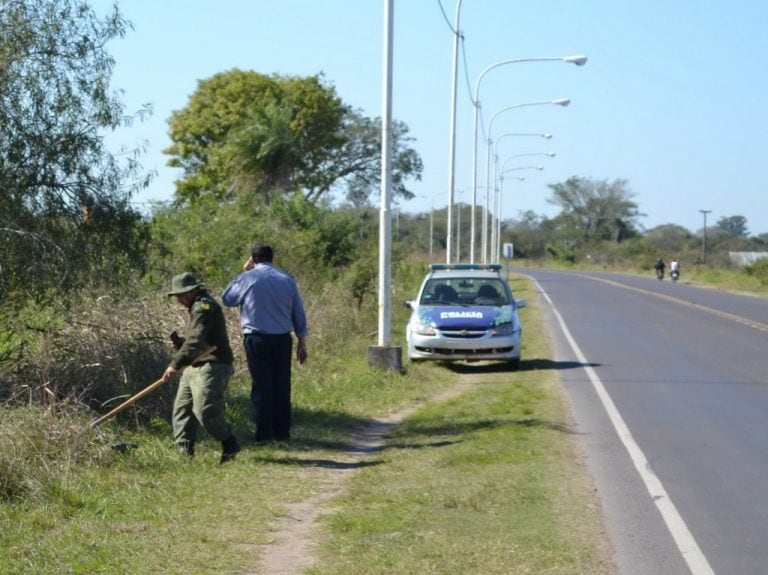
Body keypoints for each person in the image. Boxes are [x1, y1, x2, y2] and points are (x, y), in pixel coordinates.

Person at [222, 244, 308, 444]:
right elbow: (298, 313)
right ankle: (282, 433)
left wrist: (243, 273)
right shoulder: (287, 280)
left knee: (262, 386)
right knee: (281, 385)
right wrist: (302, 342)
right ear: (272, 258)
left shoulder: (248, 278)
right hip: (282, 339)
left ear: (252, 259)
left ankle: (264, 435)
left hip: (257, 339)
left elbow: (227, 299)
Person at [163, 272, 241, 463]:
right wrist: (182, 344)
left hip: (212, 365)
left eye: (182, 295)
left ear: (192, 291)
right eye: (177, 296)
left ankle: (229, 444)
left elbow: (196, 340)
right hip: (194, 364)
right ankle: (185, 456)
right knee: (182, 411)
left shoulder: (204, 307)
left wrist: (175, 364)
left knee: (206, 411)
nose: (180, 299)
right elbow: (195, 341)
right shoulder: (195, 306)